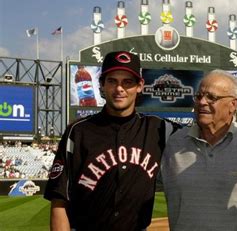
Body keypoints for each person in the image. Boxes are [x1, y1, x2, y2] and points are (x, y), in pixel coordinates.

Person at [44, 51, 178, 231]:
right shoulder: (78, 132)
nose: (119, 89)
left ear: (140, 86)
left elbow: (203, 133)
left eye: (127, 82)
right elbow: (59, 202)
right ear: (101, 85)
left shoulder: (158, 129)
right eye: (112, 81)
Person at [161, 69, 237, 231]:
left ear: (233, 105)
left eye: (211, 97)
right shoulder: (174, 143)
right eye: (199, 96)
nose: (202, 102)